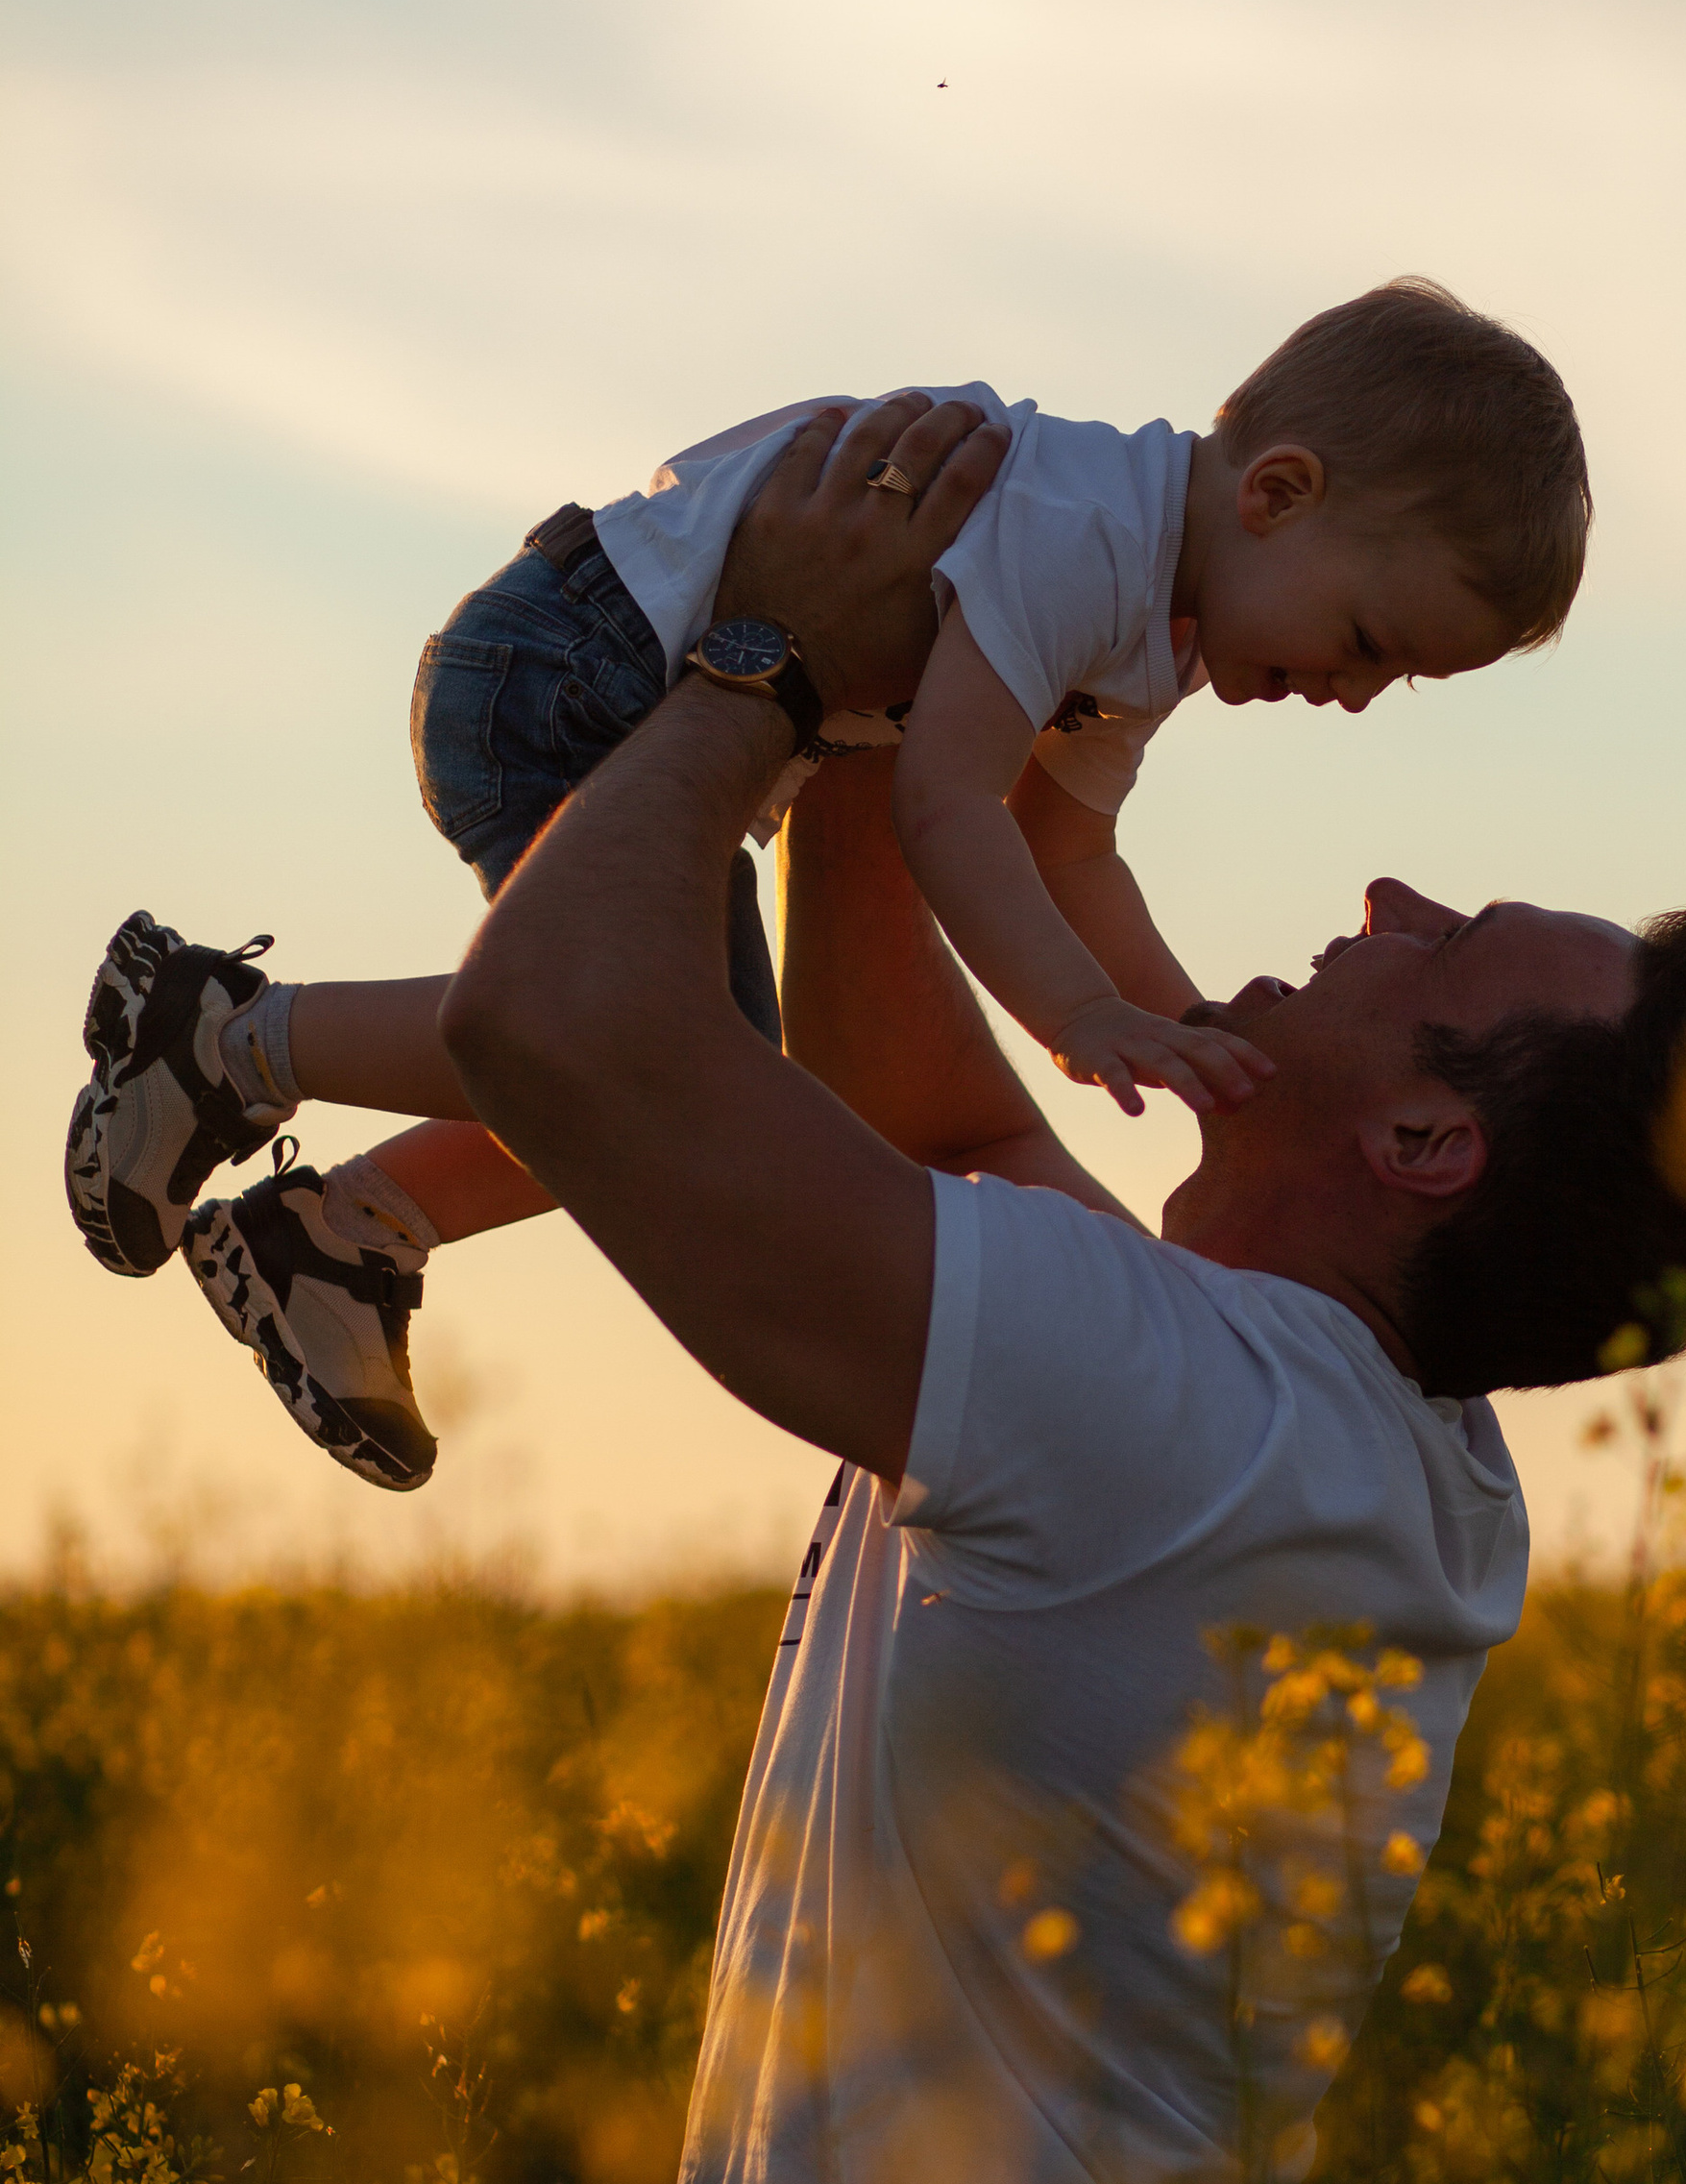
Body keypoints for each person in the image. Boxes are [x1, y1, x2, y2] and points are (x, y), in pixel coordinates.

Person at [424, 390, 1686, 2184]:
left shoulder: (1177, 1415)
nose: (1377, 895)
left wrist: (756, 668)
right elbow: (937, 1131)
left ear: (1428, 1149)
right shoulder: (1345, 1434)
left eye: (1436, 952)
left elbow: (552, 1026)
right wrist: (906, 700)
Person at [61, 282, 1588, 1491]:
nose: (1355, 695)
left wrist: (1193, 1043)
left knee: (683, 1072)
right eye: (1374, 641)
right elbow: (943, 807)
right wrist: (1076, 1014)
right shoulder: (1082, 538)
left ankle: (343, 1225)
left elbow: (1069, 849)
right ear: (1278, 493)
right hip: (571, 665)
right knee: (664, 1055)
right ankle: (222, 1034)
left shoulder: (1158, 633)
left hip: (666, 707)